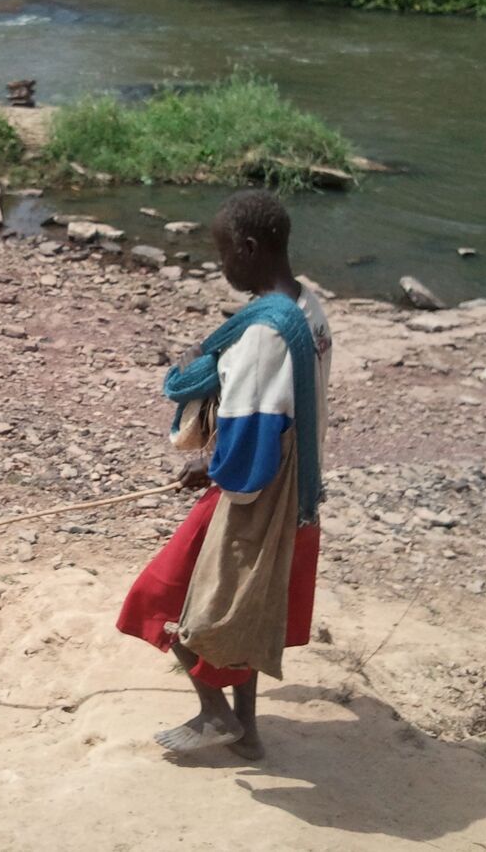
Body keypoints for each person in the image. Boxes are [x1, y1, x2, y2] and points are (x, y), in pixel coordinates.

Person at [117, 190, 332, 760]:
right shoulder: (308, 307)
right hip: (297, 492)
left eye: (223, 255)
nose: (222, 267)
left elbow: (251, 444)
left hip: (251, 497)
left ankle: (215, 715)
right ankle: (249, 731)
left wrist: (207, 465)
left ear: (249, 247)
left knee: (162, 598)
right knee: (246, 611)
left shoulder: (262, 337)